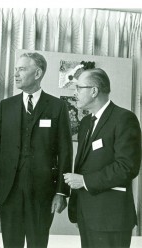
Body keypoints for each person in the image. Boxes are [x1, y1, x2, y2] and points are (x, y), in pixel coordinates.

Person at [0, 52, 73, 248]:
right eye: (16, 69)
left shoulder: (57, 107)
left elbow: (66, 152)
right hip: (9, 190)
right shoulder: (6, 106)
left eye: (22, 69)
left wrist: (61, 192)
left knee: (38, 244)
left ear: (37, 73)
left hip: (43, 192)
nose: (16, 74)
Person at [64, 68, 141, 248]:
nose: (75, 94)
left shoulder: (124, 119)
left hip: (111, 219)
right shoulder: (85, 123)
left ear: (94, 91)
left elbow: (127, 167)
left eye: (78, 88)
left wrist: (84, 181)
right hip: (87, 215)